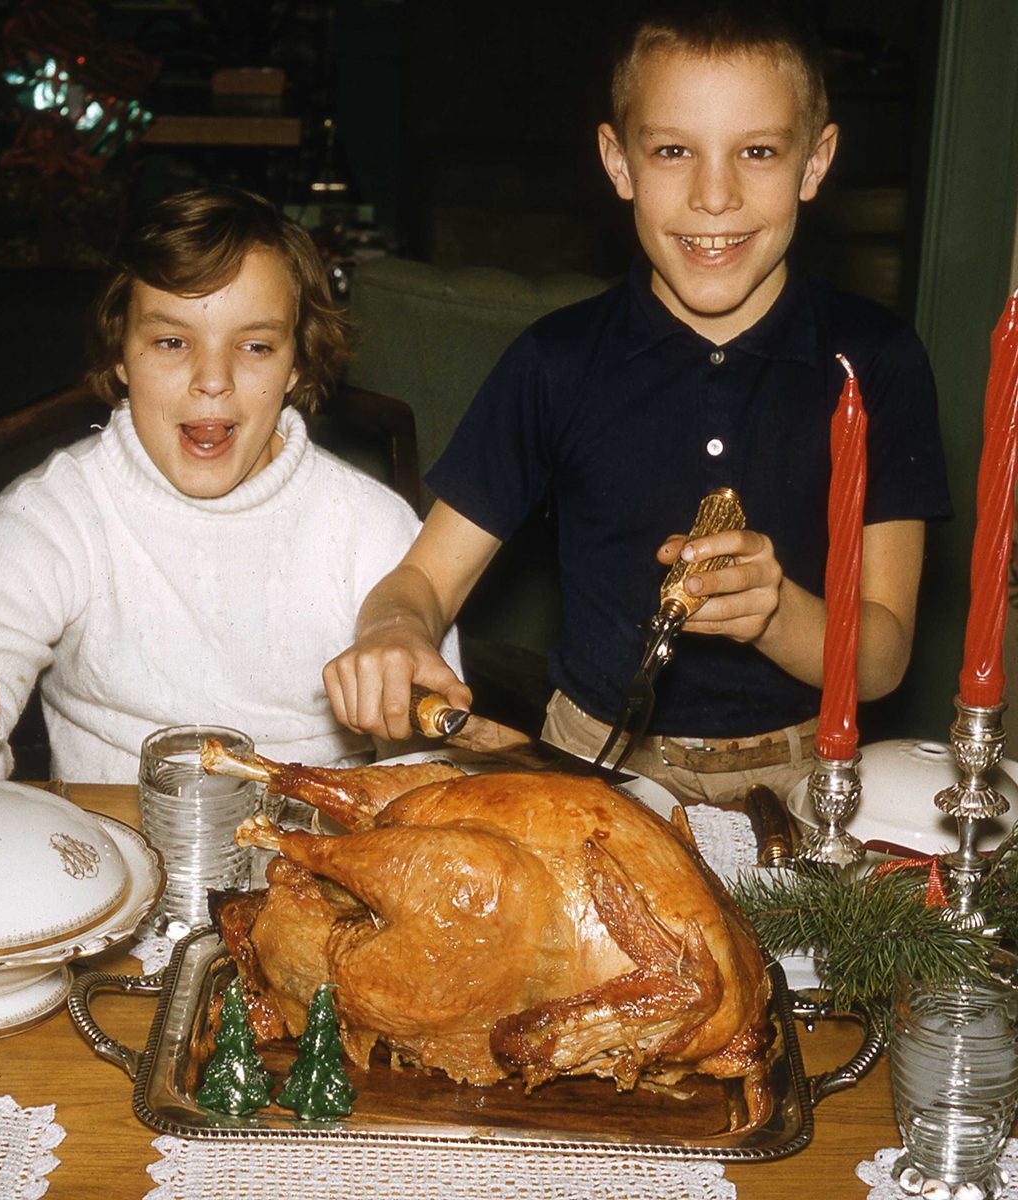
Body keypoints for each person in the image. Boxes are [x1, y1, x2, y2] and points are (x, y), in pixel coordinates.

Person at [322, 0, 951, 804]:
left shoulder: (880, 362)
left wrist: (778, 613)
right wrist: (392, 633)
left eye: (757, 151)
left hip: (810, 778)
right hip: (589, 765)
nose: (713, 195)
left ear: (815, 162)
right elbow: (422, 584)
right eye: (672, 151)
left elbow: (884, 658)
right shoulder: (555, 363)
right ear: (619, 163)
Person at [0, 186, 455, 792]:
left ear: (297, 362)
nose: (212, 381)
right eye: (172, 342)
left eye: (255, 346)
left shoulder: (372, 525)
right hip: (111, 857)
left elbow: (434, 777)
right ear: (121, 353)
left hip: (317, 863)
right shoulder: (54, 513)